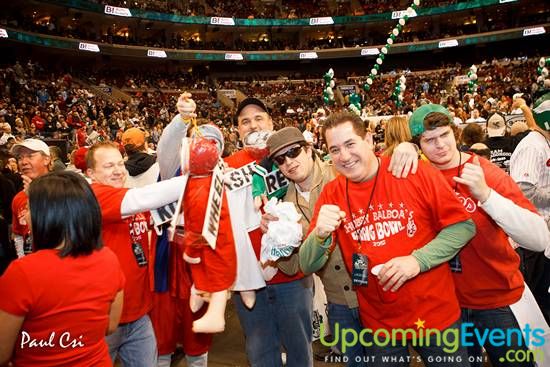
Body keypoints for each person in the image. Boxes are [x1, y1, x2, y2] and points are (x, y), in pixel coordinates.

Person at [302, 111, 476, 366]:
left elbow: (463, 227)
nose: (345, 156)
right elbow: (307, 265)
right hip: (379, 323)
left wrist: (417, 261)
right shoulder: (332, 193)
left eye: (350, 144)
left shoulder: (411, 170)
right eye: (335, 149)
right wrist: (319, 234)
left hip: (434, 315)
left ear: (370, 140)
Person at [407, 103, 550, 367]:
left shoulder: (484, 171)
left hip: (498, 300)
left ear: (455, 132)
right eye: (429, 140)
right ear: (418, 144)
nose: (439, 145)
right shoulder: (417, 179)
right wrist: (400, 150)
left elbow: (539, 238)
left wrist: (486, 195)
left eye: (444, 135)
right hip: (447, 308)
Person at [263, 126, 366, 366]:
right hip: (338, 302)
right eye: (280, 159)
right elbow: (295, 268)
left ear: (309, 150)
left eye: (294, 152)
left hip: (374, 293)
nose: (289, 161)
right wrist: (279, 239)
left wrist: (408, 148)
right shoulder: (283, 206)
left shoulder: (342, 174)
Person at [0, 171, 125, 366]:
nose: (25, 215)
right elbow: (110, 325)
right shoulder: (109, 259)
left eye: (29, 208)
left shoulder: (23, 272)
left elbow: (2, 353)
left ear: (49, 215)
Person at [85, 141, 187, 367]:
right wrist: (196, 177)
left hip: (139, 313)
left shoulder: (125, 200)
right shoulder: (93, 196)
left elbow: (160, 212)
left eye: (120, 163)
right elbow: (142, 198)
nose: (118, 170)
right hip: (105, 317)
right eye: (109, 166)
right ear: (91, 173)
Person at [509, 93, 550, 324]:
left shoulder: (542, 143)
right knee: (537, 294)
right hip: (532, 235)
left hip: (542, 230)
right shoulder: (533, 147)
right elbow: (523, 191)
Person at [10, 139, 52, 258]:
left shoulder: (64, 190)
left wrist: (35, 197)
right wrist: (21, 259)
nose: (23, 162)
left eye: (30, 156)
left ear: (46, 159)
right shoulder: (18, 199)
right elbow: (18, 234)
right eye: (20, 157)